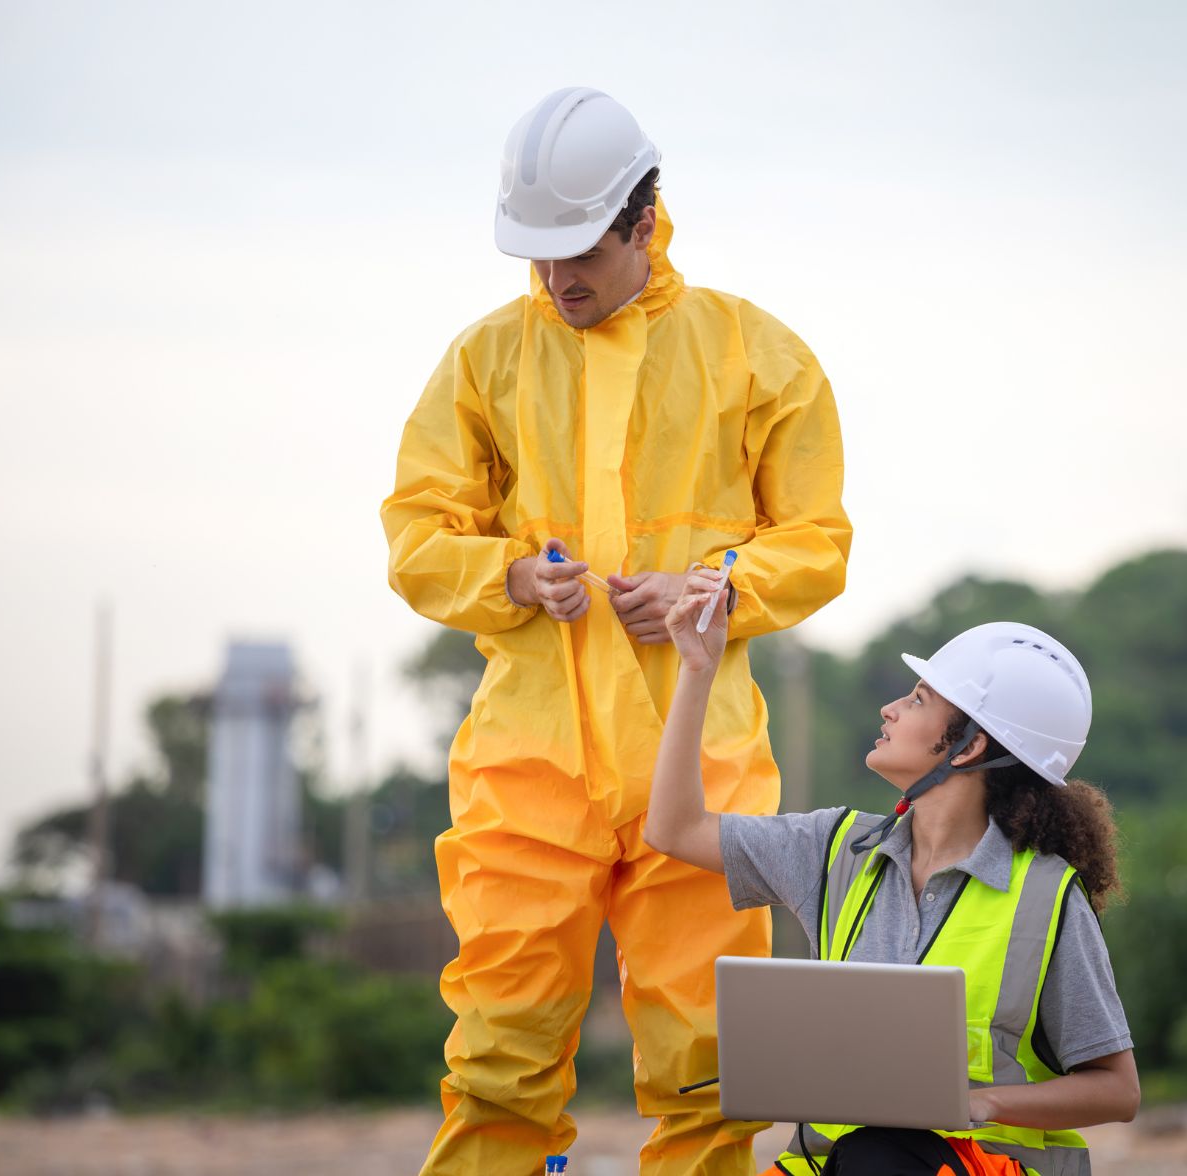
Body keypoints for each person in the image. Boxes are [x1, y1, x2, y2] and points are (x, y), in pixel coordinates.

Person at [380, 87, 852, 1176]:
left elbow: (817, 538)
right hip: (526, 767)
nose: (557, 280)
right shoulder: (485, 359)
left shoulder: (756, 354)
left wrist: (714, 587)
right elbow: (415, 533)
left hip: (699, 768)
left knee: (710, 1072)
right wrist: (508, 576)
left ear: (644, 221)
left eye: (580, 251)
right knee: (498, 1058)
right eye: (537, 257)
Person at [647, 570, 1140, 1176]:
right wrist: (697, 669)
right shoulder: (832, 850)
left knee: (879, 1156)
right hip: (839, 1164)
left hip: (980, 1165)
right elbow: (673, 830)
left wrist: (978, 1103)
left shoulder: (1045, 898)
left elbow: (1117, 1091)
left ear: (968, 747)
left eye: (917, 700)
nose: (890, 709)